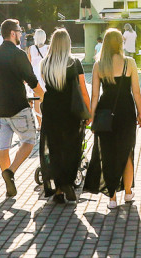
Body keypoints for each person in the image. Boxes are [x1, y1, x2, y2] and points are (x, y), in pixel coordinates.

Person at [88, 28, 141, 209]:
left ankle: (112, 197)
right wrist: (140, 113)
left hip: (105, 112)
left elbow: (95, 95)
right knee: (127, 151)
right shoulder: (130, 63)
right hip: (126, 111)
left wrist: (91, 116)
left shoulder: (99, 65)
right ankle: (128, 193)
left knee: (108, 153)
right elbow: (136, 91)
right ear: (121, 43)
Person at [0, 18, 44, 197]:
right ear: (13, 33)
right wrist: (45, 97)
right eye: (19, 31)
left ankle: (8, 183)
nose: (21, 35)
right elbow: (32, 81)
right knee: (29, 141)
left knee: (2, 148)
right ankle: (10, 172)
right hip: (18, 107)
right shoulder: (19, 54)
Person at [39, 28, 90, 203]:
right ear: (68, 44)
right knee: (71, 147)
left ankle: (59, 190)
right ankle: (67, 183)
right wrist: (88, 111)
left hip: (52, 110)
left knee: (54, 148)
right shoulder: (74, 63)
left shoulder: (45, 63)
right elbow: (83, 90)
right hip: (71, 111)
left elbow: (46, 85)